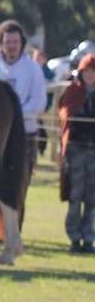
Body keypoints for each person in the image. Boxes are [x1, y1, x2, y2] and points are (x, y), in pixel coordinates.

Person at [0, 19, 48, 229]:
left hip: (25, 136)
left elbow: (39, 102)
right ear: (1, 43)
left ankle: (14, 230)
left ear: (22, 43)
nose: (12, 45)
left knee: (20, 184)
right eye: (8, 41)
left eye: (15, 41)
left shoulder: (33, 69)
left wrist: (12, 115)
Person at [57, 52, 95, 253]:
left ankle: (89, 237)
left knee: (92, 197)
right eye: (87, 72)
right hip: (75, 150)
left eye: (93, 72)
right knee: (75, 194)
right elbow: (64, 112)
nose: (90, 76)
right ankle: (74, 237)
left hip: (93, 151)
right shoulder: (73, 92)